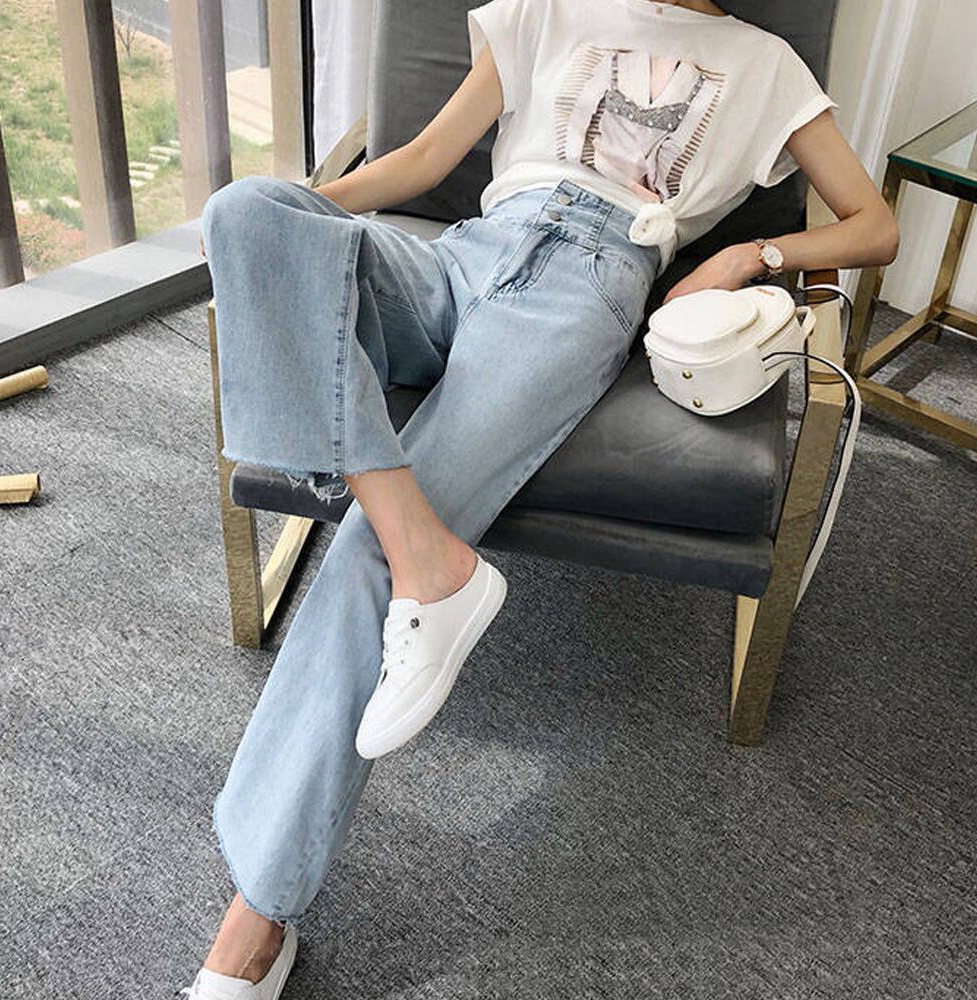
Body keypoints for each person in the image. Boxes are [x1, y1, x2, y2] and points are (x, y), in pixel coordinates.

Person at [182, 0, 899, 995]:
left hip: (585, 287)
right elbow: (423, 162)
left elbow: (876, 226)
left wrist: (749, 255)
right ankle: (430, 556)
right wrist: (294, 239)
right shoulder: (548, 8)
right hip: (457, 257)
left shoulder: (767, 63)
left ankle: (255, 920)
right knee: (244, 211)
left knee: (364, 557)